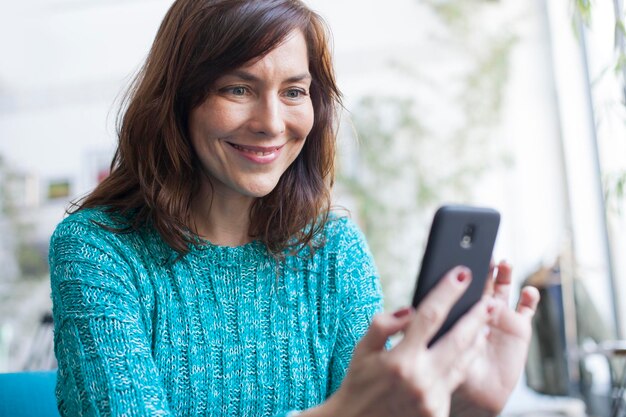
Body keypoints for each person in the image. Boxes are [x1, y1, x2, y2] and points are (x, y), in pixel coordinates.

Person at [48, 0, 540, 416]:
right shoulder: (98, 250)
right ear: (177, 100)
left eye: (294, 92)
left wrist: (467, 404)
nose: (271, 122)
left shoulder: (333, 249)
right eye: (237, 89)